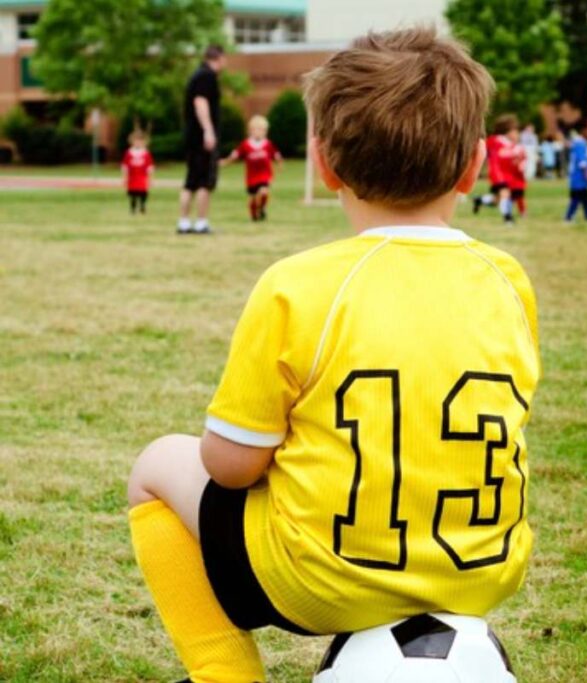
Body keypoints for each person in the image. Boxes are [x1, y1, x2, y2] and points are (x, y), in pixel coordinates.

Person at [126, 27, 541, 682]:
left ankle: (222, 674)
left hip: (317, 579)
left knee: (154, 465)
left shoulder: (299, 285)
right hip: (480, 570)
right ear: (475, 165)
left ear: (325, 163)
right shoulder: (508, 280)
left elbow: (229, 468)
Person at [179, 45, 226, 235]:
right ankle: (201, 222)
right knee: (204, 181)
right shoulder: (207, 76)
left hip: (192, 137)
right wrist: (208, 131)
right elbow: (200, 102)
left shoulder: (197, 75)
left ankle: (183, 222)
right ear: (219, 58)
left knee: (190, 180)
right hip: (201, 138)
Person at [220, 115, 283, 222]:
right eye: (256, 129)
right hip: (251, 177)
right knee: (253, 198)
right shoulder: (246, 144)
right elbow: (235, 155)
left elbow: (276, 155)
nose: (259, 132)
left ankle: (262, 208)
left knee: (263, 192)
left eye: (262, 129)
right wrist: (225, 162)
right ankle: (254, 214)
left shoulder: (267, 144)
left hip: (265, 175)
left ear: (265, 131)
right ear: (250, 131)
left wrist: (279, 163)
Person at [472, 113, 517, 222]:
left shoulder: (506, 142)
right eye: (513, 130)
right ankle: (508, 218)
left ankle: (480, 200)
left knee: (497, 200)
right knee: (505, 194)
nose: (515, 132)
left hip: (505, 174)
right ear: (507, 129)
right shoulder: (495, 140)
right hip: (498, 174)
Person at [565, 123, 587, 222]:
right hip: (579, 176)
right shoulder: (580, 144)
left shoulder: (578, 143)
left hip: (578, 175)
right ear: (584, 131)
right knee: (576, 197)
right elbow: (582, 161)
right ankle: (569, 216)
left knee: (585, 196)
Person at [122, 130, 154, 215]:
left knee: (143, 193)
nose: (138, 143)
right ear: (132, 141)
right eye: (136, 141)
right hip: (132, 177)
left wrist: (150, 179)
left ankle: (142, 206)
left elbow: (150, 167)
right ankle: (133, 208)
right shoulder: (129, 153)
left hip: (142, 177)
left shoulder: (146, 153)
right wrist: (125, 178)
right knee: (132, 193)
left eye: (140, 141)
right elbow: (125, 167)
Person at [500, 126, 528, 218]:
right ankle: (508, 213)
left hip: (517, 176)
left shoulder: (519, 147)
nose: (514, 136)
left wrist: (520, 165)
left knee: (519, 195)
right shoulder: (505, 147)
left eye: (515, 134)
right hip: (508, 176)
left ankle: (522, 212)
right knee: (509, 195)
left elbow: (523, 159)